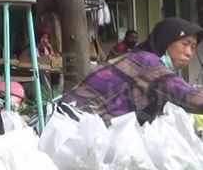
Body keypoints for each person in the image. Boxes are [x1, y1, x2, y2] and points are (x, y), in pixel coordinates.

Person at [62, 18, 203, 124]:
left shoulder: (142, 58)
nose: (189, 53)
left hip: (80, 128)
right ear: (165, 41)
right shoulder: (147, 62)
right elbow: (189, 97)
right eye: (185, 44)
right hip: (74, 127)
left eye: (193, 47)